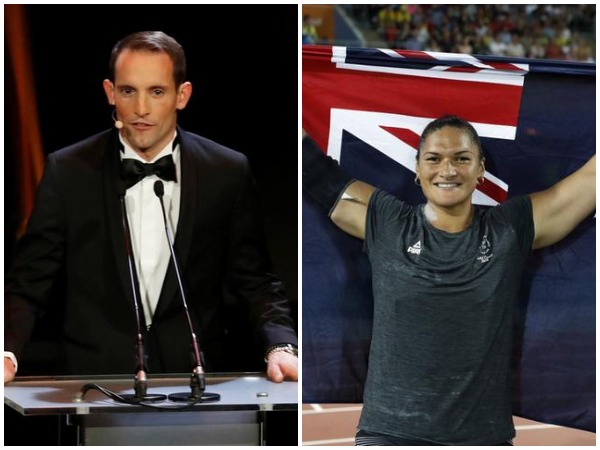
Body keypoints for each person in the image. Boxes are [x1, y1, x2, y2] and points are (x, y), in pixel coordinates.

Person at [4, 31, 298, 385]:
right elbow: (30, 280)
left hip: (195, 384)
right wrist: (7, 352)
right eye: (128, 91)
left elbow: (256, 280)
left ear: (182, 95)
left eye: (156, 92)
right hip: (93, 386)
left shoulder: (226, 171)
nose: (141, 109)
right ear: (110, 92)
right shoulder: (68, 171)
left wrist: (281, 346)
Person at [302, 116, 595, 446]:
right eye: (434, 158)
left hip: (481, 437)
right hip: (389, 434)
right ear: (417, 168)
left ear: (480, 168)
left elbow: (590, 180)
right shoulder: (387, 222)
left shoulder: (509, 229)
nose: (448, 170)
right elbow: (315, 171)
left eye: (461, 158)